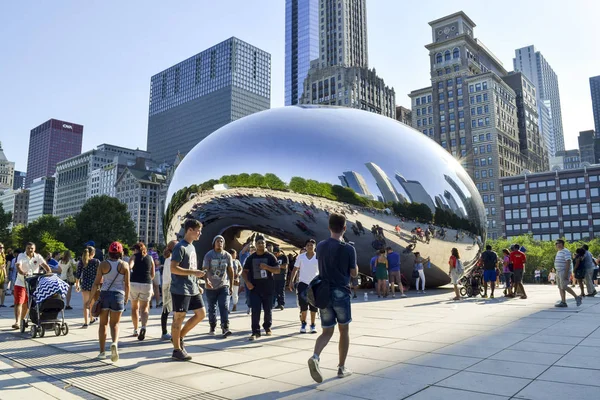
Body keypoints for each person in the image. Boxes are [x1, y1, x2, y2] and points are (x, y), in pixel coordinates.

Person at [308, 213, 357, 383]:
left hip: (324, 292)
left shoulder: (320, 246)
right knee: (344, 330)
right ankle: (342, 367)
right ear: (344, 228)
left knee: (327, 331)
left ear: (329, 227)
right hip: (341, 292)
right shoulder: (349, 249)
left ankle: (315, 357)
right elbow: (354, 273)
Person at [170, 219, 207, 361]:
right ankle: (176, 349)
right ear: (190, 230)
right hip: (180, 288)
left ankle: (178, 337)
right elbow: (173, 268)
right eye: (198, 230)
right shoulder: (180, 247)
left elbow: (191, 268)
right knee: (178, 318)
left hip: (192, 287)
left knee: (201, 314)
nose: (200, 233)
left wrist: (196, 282)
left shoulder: (192, 247)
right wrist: (193, 273)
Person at [87, 242, 130, 362]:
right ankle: (115, 343)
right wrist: (126, 298)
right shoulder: (125, 265)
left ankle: (102, 352)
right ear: (121, 253)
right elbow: (127, 284)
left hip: (105, 295)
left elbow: (96, 283)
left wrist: (90, 300)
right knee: (115, 324)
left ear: (109, 252)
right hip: (118, 296)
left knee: (103, 324)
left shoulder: (103, 264)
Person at [242, 235, 280, 341]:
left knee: (268, 310)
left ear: (265, 244)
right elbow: (244, 272)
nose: (261, 245)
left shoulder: (270, 257)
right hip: (255, 289)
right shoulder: (251, 258)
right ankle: (255, 332)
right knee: (255, 311)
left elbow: (277, 270)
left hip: (268, 288)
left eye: (262, 243)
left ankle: (267, 327)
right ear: (256, 244)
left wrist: (267, 267)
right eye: (258, 243)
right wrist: (247, 282)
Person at [12, 243, 51, 329]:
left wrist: (48, 272)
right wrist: (22, 273)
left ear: (34, 249)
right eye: (28, 248)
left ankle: (23, 320)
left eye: (31, 248)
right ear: (25, 248)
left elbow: (45, 266)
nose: (30, 250)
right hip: (21, 282)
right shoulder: (21, 256)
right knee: (19, 302)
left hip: (32, 283)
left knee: (27, 304)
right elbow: (18, 266)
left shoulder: (38, 257)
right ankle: (17, 322)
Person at [203, 235, 234, 337]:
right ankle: (212, 325)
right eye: (217, 241)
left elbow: (231, 271)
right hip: (210, 286)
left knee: (224, 305)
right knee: (212, 308)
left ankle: (225, 327)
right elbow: (205, 269)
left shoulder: (227, 256)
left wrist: (231, 285)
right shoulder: (209, 255)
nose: (219, 243)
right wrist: (207, 281)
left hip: (223, 285)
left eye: (221, 241)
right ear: (214, 243)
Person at [289, 239, 319, 334]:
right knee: (303, 306)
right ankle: (303, 323)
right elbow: (295, 269)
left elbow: (323, 270)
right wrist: (291, 281)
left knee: (313, 306)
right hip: (303, 283)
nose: (310, 246)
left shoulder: (318, 257)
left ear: (315, 246)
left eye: (312, 245)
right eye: (308, 245)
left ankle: (313, 325)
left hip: (315, 284)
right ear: (305, 247)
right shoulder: (301, 257)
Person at [129, 242, 155, 340]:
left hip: (134, 283)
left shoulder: (134, 257)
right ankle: (143, 327)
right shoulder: (150, 258)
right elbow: (152, 275)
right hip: (146, 283)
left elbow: (130, 267)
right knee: (144, 308)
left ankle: (135, 329)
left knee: (134, 308)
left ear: (136, 250)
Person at [75, 246, 100, 328]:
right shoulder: (96, 261)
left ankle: (86, 322)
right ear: (93, 253)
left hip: (85, 284)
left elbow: (78, 274)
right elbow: (100, 273)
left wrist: (77, 284)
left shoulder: (82, 262)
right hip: (94, 285)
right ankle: (92, 318)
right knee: (92, 303)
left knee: (85, 304)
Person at [554, 239, 581, 307]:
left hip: (563, 271)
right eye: (556, 244)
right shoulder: (559, 252)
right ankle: (563, 302)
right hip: (558, 271)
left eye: (559, 243)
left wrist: (566, 273)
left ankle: (577, 297)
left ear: (562, 244)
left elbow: (568, 262)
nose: (557, 245)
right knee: (560, 287)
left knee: (564, 286)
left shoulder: (566, 251)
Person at [160, 240, 177, 340]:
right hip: (170, 286)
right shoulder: (170, 260)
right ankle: (165, 332)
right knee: (168, 309)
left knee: (169, 310)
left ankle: (168, 331)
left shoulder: (169, 259)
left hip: (168, 285)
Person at [147, 244, 161, 308]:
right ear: (153, 248)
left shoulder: (146, 254)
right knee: (157, 288)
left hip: (148, 272)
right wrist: (159, 264)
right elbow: (156, 262)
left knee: (150, 288)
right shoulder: (155, 253)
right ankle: (158, 303)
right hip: (156, 271)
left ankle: (150, 304)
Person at [0, 243, 6, 308]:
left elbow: (4, 267)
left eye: (2, 247)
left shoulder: (3, 255)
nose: (1, 249)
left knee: (3, 290)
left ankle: (2, 303)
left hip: (1, 274)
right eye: (0, 247)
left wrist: (6, 276)